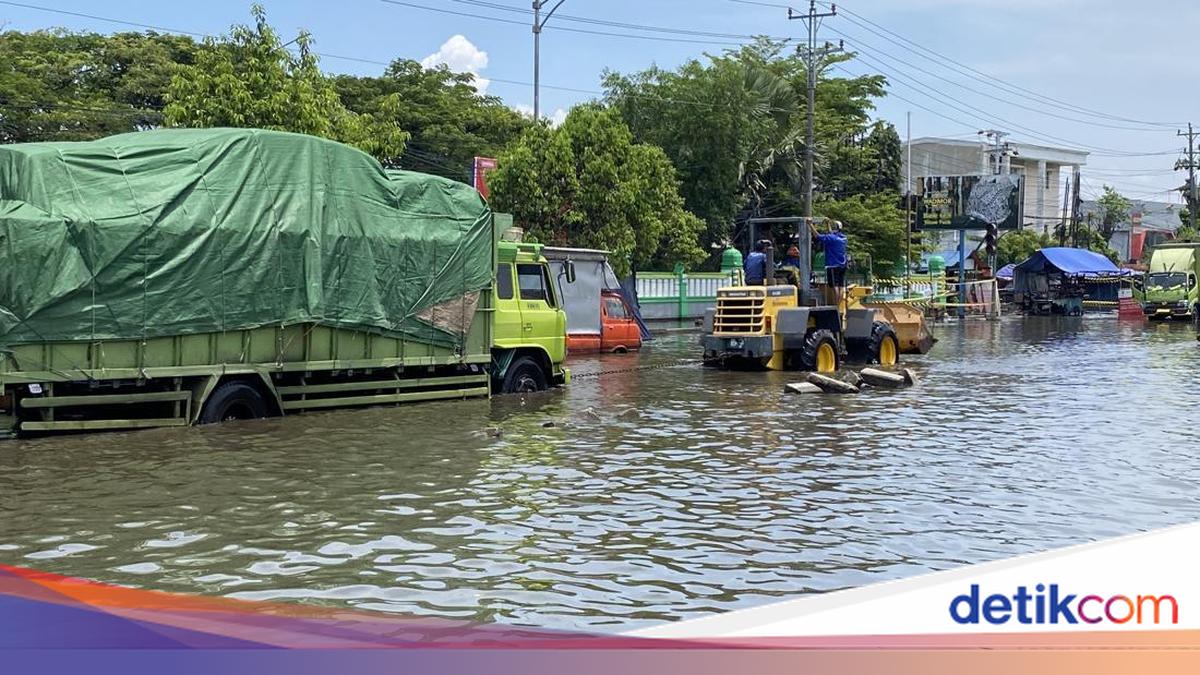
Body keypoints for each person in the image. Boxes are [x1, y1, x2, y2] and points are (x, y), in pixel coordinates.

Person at [813, 221, 849, 306]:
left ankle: (835, 305)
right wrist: (827, 224)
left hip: (833, 265)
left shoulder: (832, 238)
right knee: (841, 286)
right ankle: (838, 305)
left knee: (834, 286)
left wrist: (810, 225)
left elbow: (817, 236)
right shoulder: (843, 238)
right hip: (842, 265)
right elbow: (831, 234)